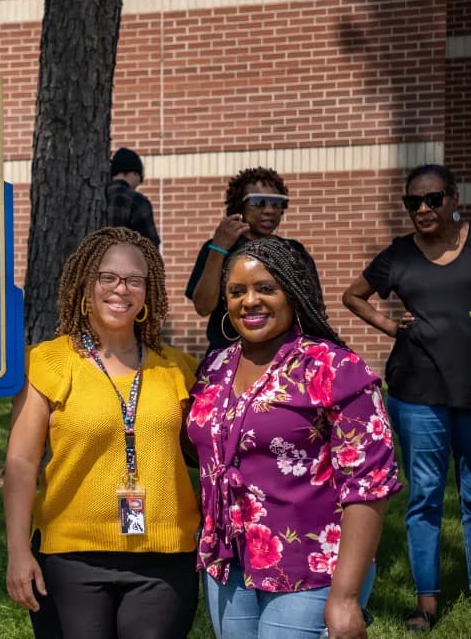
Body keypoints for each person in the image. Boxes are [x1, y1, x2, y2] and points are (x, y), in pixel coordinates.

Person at [187, 237, 401, 639]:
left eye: (266, 288)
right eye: (237, 292)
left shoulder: (333, 368)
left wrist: (346, 596)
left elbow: (370, 485)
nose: (250, 301)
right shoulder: (215, 366)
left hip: (312, 567)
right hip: (227, 565)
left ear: (293, 292)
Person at [4, 227, 200, 638]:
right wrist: (18, 552)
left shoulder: (177, 369)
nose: (120, 290)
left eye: (134, 280)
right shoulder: (47, 362)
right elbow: (21, 464)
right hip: (71, 556)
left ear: (149, 293)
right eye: (106, 277)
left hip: (165, 558)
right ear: (84, 286)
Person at [341, 163, 470, 633]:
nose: (422, 209)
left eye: (433, 199)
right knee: (426, 499)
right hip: (418, 390)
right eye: (412, 203)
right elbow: (353, 296)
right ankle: (427, 602)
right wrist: (392, 327)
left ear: (454, 199)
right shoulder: (398, 255)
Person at [186, 167, 319, 353]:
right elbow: (203, 307)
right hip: (227, 355)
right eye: (259, 202)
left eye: (277, 203)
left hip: (283, 356)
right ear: (239, 207)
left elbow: (313, 310)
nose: (269, 210)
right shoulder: (216, 247)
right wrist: (219, 249)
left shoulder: (294, 251)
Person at [106, 147, 161, 246]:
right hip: (130, 259)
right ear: (134, 173)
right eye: (140, 180)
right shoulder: (138, 201)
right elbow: (151, 246)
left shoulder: (98, 196)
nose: (137, 185)